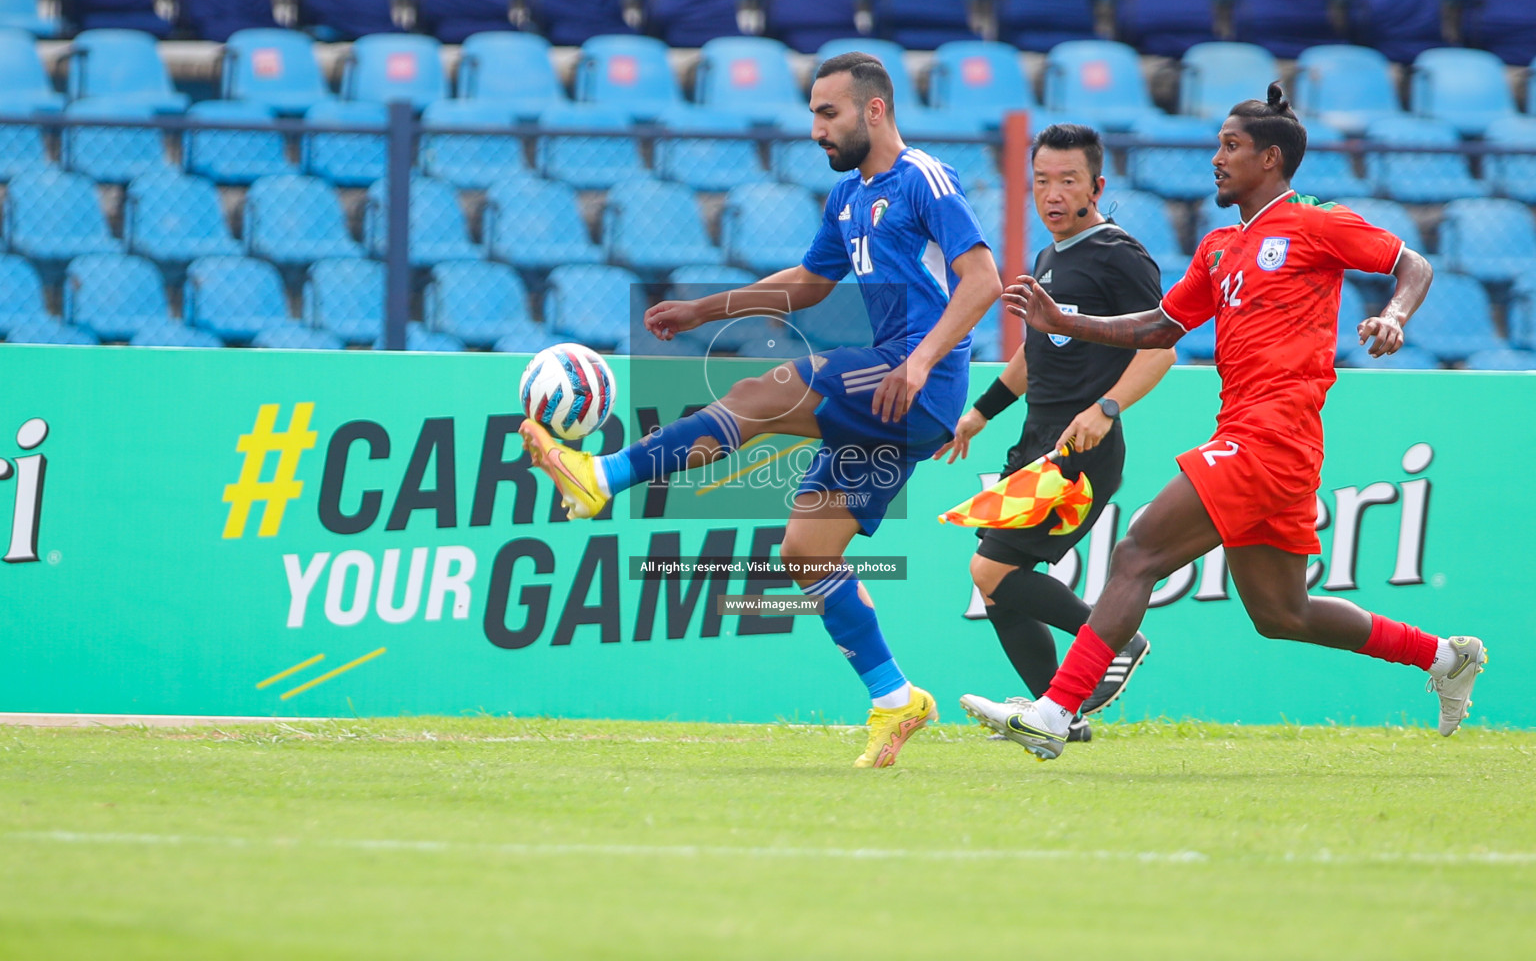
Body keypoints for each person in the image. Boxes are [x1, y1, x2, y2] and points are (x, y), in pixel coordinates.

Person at [520, 52, 1002, 768]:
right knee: (806, 551)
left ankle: (605, 476)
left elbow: (983, 280)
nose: (815, 129)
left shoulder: (922, 178)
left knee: (763, 393)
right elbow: (809, 282)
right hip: (898, 390)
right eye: (812, 113)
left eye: (827, 112)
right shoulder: (846, 199)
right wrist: (702, 310)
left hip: (919, 379)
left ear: (874, 110)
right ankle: (896, 698)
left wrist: (922, 359)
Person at [992, 83, 1485, 760]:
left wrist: (1393, 316)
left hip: (1273, 433)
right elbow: (1160, 325)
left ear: (1271, 159)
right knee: (1283, 614)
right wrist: (1065, 321)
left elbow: (1411, 264)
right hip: (1257, 436)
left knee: (1138, 551)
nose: (1216, 159)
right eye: (1218, 145)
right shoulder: (1222, 245)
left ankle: (1056, 710)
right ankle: (1442, 657)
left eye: (1231, 147)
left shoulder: (1314, 221)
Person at [934, 123, 1174, 747]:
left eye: (1068, 181)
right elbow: (1034, 353)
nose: (1053, 194)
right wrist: (980, 412)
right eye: (1041, 181)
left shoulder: (1120, 255)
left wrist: (1107, 409)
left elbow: (1162, 348)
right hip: (1036, 444)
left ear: (1097, 185)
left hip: (1081, 450)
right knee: (995, 586)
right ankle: (1061, 717)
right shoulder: (1051, 256)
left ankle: (1117, 638)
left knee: (990, 568)